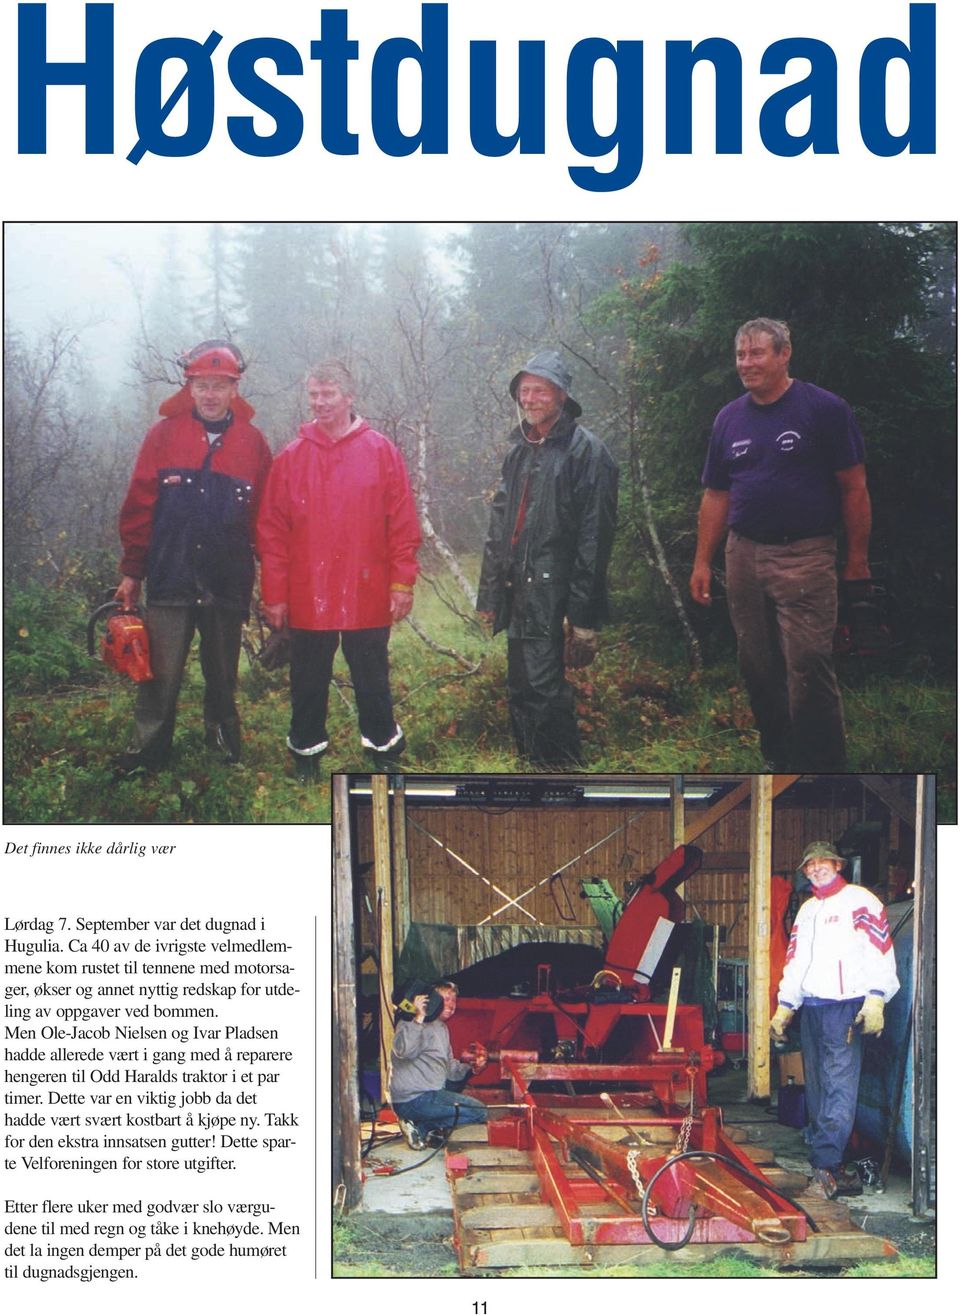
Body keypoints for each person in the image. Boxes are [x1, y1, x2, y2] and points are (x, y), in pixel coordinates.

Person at [690, 318, 872, 771]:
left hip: (806, 554)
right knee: (757, 666)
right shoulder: (729, 418)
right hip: (742, 553)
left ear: (784, 353)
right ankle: (780, 759)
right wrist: (701, 563)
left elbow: (854, 487)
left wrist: (857, 560)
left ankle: (824, 768)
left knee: (808, 663)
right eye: (740, 355)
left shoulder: (823, 409)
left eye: (757, 354)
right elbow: (716, 494)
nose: (746, 364)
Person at [257, 362, 421, 777]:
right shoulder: (291, 458)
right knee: (308, 681)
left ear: (349, 396)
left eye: (328, 394)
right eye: (313, 394)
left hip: (367, 591)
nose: (320, 402)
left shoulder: (381, 451)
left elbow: (402, 522)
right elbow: (272, 532)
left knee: (371, 678)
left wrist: (402, 582)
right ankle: (306, 756)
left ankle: (383, 750)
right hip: (308, 594)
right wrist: (274, 594)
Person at [115, 340, 272, 772]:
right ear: (190, 387)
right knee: (159, 676)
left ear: (234, 390)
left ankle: (223, 750)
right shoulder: (162, 436)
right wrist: (133, 571)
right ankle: (147, 755)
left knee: (222, 675)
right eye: (202, 385)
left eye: (220, 385)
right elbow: (139, 505)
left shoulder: (254, 444)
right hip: (171, 575)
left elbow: (265, 520)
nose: (210, 394)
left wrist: (272, 585)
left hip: (227, 580)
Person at [476, 349, 618, 767]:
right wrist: (489, 597)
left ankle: (561, 777)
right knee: (520, 688)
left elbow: (595, 539)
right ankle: (531, 770)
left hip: (555, 591)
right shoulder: (519, 450)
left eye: (540, 390)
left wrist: (583, 616)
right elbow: (500, 529)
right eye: (524, 391)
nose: (530, 399)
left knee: (543, 690)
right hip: (517, 590)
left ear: (561, 395)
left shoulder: (587, 452)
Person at [770, 841, 899, 1201]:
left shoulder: (861, 901)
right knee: (819, 1088)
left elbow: (880, 950)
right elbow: (795, 962)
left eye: (821, 863)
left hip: (845, 1007)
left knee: (839, 1086)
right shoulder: (807, 910)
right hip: (812, 1007)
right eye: (809, 865)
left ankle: (825, 1168)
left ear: (837, 865)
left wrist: (876, 997)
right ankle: (836, 1167)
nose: (815, 869)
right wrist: (785, 1005)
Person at [390, 979, 488, 1149]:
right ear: (431, 999)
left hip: (429, 1095)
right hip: (413, 1098)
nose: (451, 1004)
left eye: (454, 1000)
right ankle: (422, 1126)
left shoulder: (441, 1028)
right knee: (479, 1111)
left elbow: (450, 1069)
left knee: (478, 1111)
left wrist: (472, 1068)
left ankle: (419, 1128)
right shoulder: (410, 1022)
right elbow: (404, 1052)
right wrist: (419, 1016)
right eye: (446, 998)